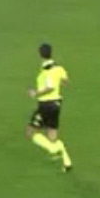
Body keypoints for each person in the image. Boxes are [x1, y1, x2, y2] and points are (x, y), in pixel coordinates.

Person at [26, 43, 72, 172]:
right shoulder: (59, 68)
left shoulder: (48, 70)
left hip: (46, 105)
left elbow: (50, 87)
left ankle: (53, 149)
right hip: (57, 104)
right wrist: (59, 81)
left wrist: (35, 93)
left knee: (30, 132)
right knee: (52, 135)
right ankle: (66, 162)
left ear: (40, 54)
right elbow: (66, 82)